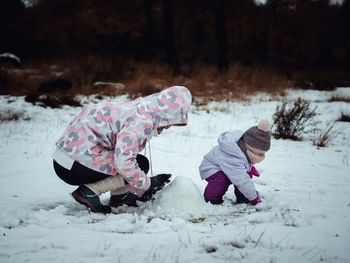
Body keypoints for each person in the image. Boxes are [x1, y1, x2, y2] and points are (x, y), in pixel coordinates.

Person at [53, 86, 192, 213]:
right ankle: (89, 191)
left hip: (66, 158)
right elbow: (124, 163)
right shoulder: (141, 121)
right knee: (137, 165)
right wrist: (148, 184)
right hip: (74, 166)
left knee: (137, 162)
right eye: (171, 122)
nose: (168, 127)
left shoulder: (138, 108)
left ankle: (120, 196)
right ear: (167, 113)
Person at [199, 120, 271, 205]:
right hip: (211, 168)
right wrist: (254, 197)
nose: (260, 156)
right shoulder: (233, 157)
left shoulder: (241, 148)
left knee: (242, 175)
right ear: (249, 149)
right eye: (258, 153)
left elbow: (244, 161)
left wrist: (250, 168)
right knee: (223, 179)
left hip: (225, 167)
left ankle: (243, 198)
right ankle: (211, 199)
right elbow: (242, 180)